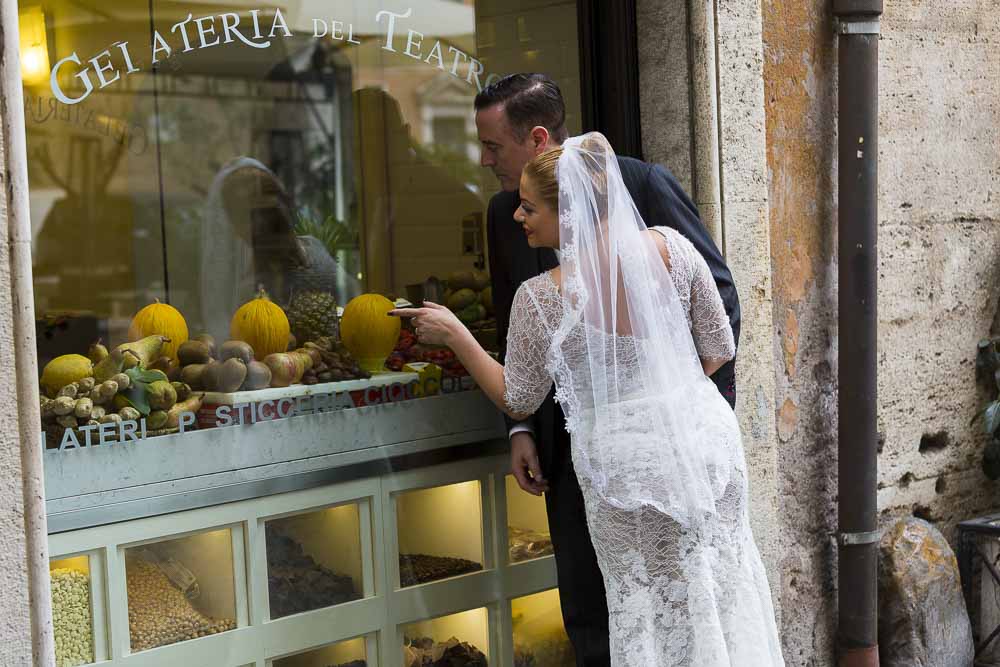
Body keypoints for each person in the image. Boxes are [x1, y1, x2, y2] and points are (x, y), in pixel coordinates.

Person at [391, 132, 782, 665]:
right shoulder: (674, 248)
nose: (517, 217)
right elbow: (718, 349)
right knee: (724, 585)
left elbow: (519, 396)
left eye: (529, 208)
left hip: (626, 471)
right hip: (706, 443)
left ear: (568, 213)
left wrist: (457, 334)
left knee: (645, 607)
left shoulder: (542, 298)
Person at [473, 73, 740, 665]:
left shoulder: (644, 185)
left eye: (493, 146)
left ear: (536, 138)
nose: (484, 159)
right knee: (594, 613)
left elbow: (721, 304)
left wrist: (681, 416)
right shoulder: (501, 216)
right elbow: (511, 334)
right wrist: (519, 431)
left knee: (698, 604)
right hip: (569, 458)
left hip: (679, 454)